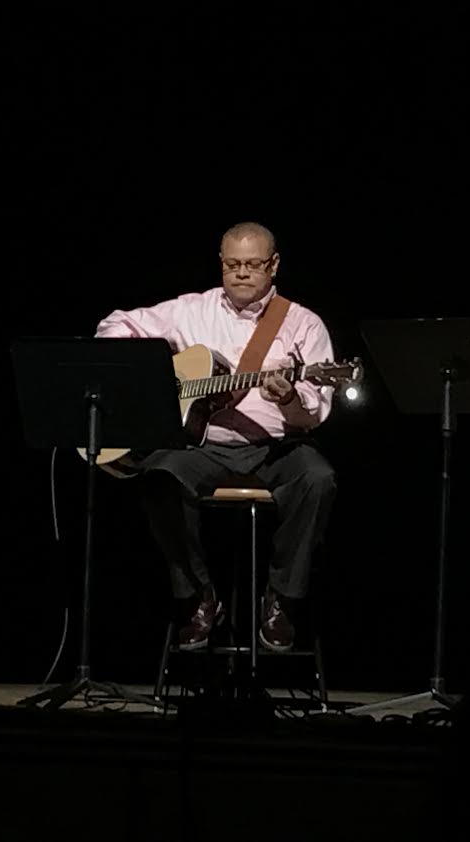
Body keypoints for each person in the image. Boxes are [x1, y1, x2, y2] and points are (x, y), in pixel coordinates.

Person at [94, 221, 337, 652]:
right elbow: (115, 324)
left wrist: (287, 398)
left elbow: (314, 415)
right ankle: (197, 597)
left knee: (317, 479)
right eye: (232, 264)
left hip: (276, 448)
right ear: (221, 264)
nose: (242, 273)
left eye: (253, 264)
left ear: (274, 265)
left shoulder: (303, 324)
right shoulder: (190, 310)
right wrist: (144, 375)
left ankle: (282, 598)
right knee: (160, 477)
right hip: (205, 446)